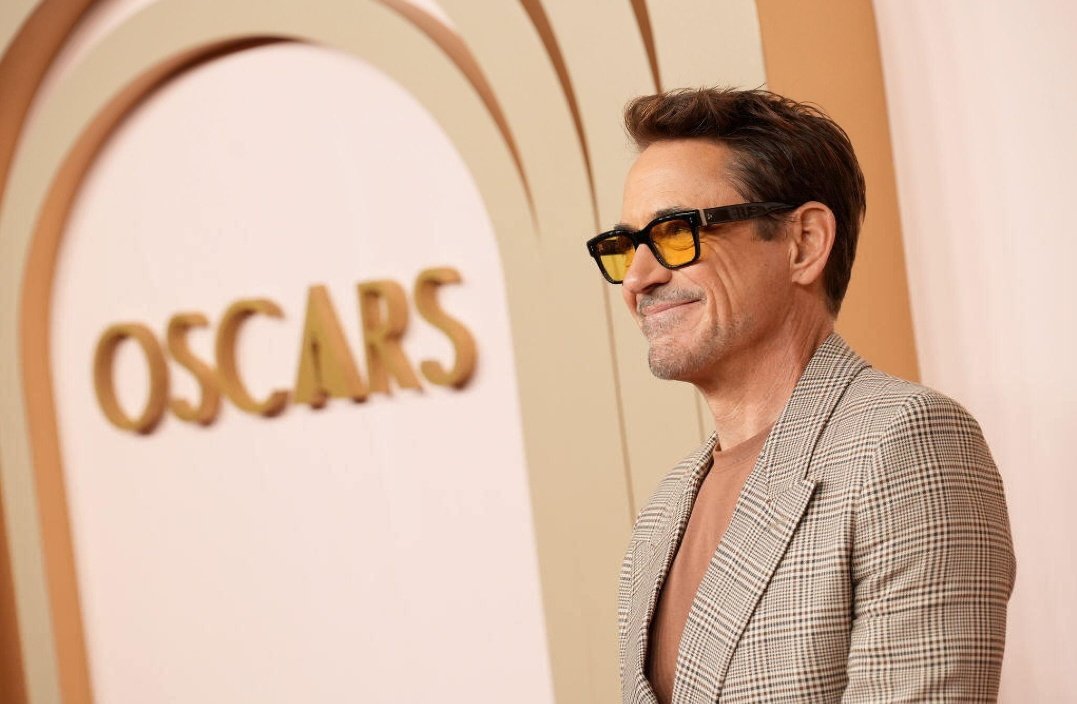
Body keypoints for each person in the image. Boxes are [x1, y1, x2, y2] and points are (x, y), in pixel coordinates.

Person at [586, 88, 1015, 703]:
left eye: (676, 233)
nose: (637, 278)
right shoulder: (665, 507)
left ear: (804, 243)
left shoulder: (906, 443)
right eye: (626, 246)